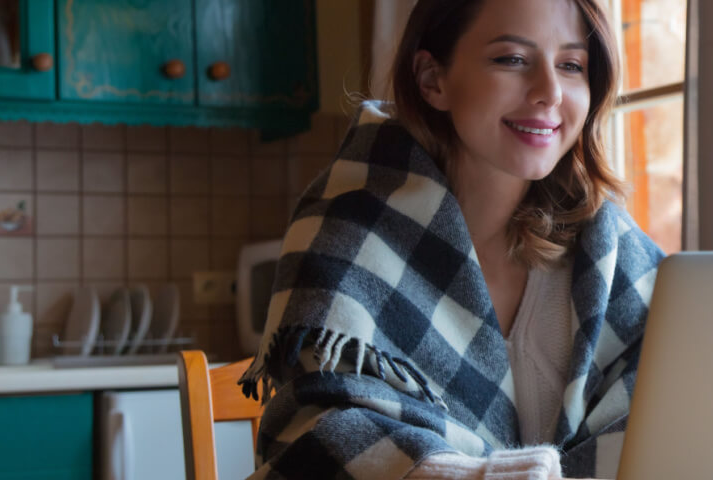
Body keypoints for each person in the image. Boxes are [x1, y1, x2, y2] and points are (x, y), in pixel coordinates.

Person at [239, 0, 665, 478]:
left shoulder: (612, 250)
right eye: (512, 59)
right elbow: (321, 429)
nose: (549, 92)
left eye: (571, 65)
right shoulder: (351, 232)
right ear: (432, 80)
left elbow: (669, 416)